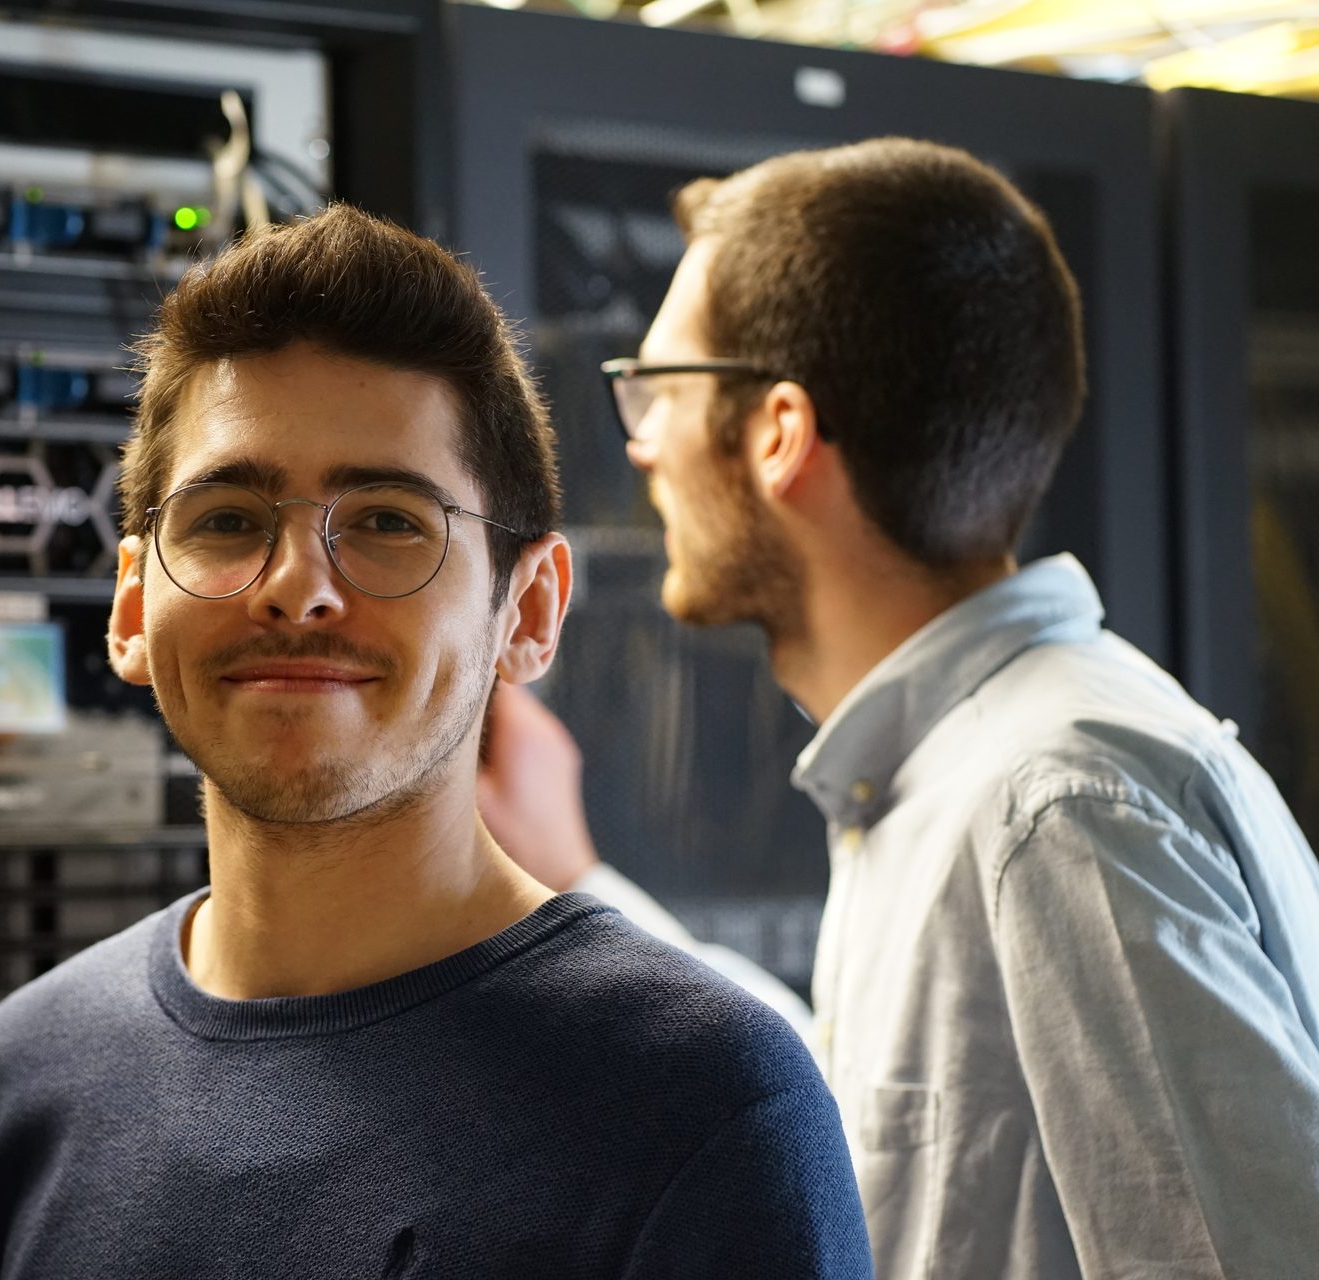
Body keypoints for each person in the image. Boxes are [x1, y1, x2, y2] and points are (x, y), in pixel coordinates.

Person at [0, 205, 872, 1279]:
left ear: (532, 611)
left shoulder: (704, 1108)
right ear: (133, 606)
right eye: (227, 518)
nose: (296, 587)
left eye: (386, 520)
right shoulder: (22, 1077)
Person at [479, 137, 1319, 1279]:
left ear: (777, 432)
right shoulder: (966, 774)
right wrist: (576, 879)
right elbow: (858, 1105)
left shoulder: (1054, 803)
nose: (642, 440)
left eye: (659, 388)